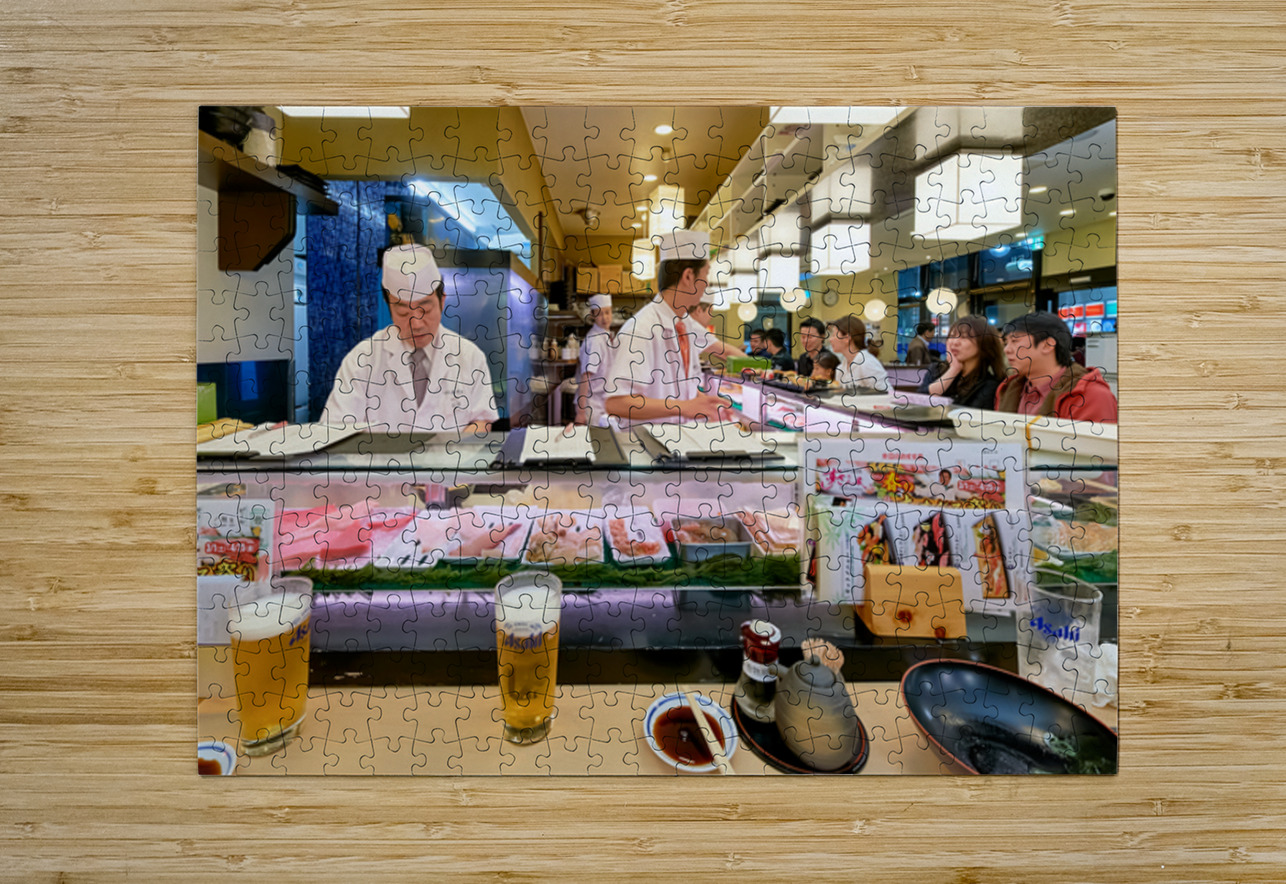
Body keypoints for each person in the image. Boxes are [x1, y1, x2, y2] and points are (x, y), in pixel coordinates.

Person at [322, 243, 497, 433]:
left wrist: (452, 456)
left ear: (442, 300)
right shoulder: (362, 360)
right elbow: (334, 430)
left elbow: (482, 420)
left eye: (426, 309)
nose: (417, 324)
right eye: (404, 312)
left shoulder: (470, 357)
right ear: (389, 307)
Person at [603, 230, 731, 425]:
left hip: (676, 444)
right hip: (645, 448)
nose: (707, 283)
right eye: (706, 273)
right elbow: (617, 402)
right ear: (689, 276)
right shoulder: (641, 329)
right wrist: (684, 407)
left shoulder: (685, 325)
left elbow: (680, 385)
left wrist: (699, 401)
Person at [995, 312, 1117, 423]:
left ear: (1048, 345)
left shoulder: (1091, 396)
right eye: (1006, 343)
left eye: (1015, 341)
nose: (1007, 350)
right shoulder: (1007, 389)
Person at [918, 314, 1007, 410]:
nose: (955, 342)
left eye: (964, 337)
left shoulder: (989, 385)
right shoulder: (935, 369)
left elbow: (964, 418)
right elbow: (919, 402)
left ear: (983, 344)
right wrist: (953, 370)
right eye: (952, 336)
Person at [574, 294, 614, 426]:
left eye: (607, 312)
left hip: (603, 403)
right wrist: (581, 412)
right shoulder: (594, 340)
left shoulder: (606, 336)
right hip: (591, 406)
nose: (605, 318)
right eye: (600, 314)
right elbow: (586, 376)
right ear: (592, 315)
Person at [826, 314, 889, 392]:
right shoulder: (840, 369)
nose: (830, 339)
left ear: (847, 338)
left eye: (834, 335)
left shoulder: (867, 363)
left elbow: (886, 394)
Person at [686, 290, 741, 362]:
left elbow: (718, 352)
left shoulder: (685, 321)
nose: (711, 317)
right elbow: (726, 351)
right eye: (710, 311)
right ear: (699, 310)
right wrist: (757, 365)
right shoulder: (692, 325)